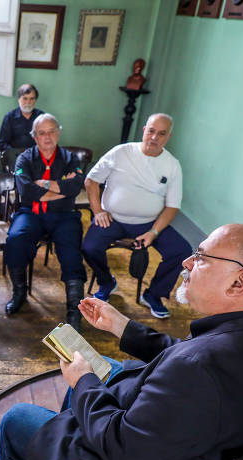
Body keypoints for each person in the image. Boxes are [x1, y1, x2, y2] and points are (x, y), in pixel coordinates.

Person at [0, 224, 243, 460]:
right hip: (196, 455)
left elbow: (123, 449)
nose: (186, 262)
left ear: (239, 282)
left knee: (17, 420)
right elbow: (186, 355)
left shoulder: (198, 370)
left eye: (201, 257)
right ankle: (59, 456)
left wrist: (83, 381)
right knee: (106, 368)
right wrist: (123, 326)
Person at [82, 113, 191, 319]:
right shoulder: (121, 152)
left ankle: (153, 295)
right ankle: (107, 282)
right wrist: (98, 211)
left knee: (181, 251)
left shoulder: (172, 164)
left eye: (161, 134)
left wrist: (153, 232)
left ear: (168, 136)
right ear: (144, 130)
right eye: (151, 131)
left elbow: (172, 206)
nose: (154, 138)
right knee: (90, 247)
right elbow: (91, 181)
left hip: (148, 223)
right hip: (112, 219)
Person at [4, 113, 87, 328]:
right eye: (42, 133)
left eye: (52, 131)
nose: (47, 137)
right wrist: (60, 186)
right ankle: (19, 292)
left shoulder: (71, 158)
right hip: (31, 212)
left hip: (64, 214)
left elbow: (75, 187)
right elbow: (26, 191)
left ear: (58, 133)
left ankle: (74, 309)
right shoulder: (25, 158)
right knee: (15, 239)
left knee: (71, 251)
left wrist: (44, 184)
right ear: (35, 136)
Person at [0, 84, 44, 152]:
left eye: (32, 99)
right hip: (15, 158)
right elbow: (2, 144)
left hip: (36, 157)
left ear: (35, 100)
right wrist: (16, 154)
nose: (28, 102)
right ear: (19, 99)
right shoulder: (9, 117)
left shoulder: (42, 118)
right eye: (25, 98)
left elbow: (47, 141)